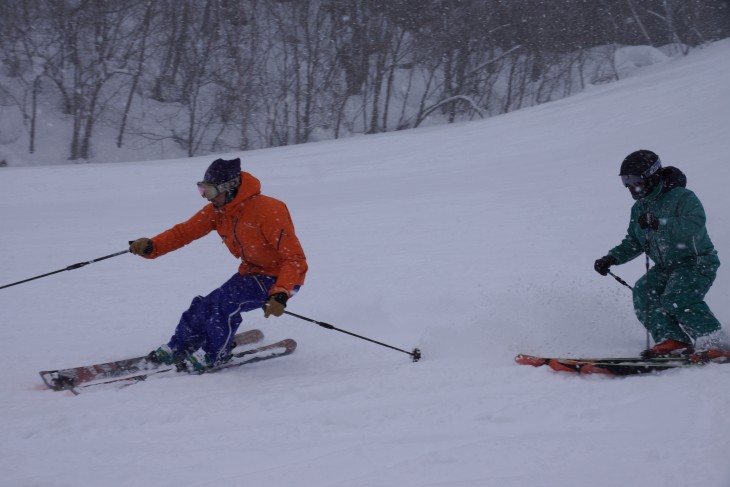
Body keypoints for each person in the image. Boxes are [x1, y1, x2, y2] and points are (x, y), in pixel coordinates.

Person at [129, 157, 307, 371]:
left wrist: (281, 292)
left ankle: (216, 354)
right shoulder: (219, 210)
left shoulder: (269, 210)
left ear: (230, 187)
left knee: (225, 304)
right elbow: (184, 232)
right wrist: (152, 246)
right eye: (203, 190)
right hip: (250, 274)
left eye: (210, 191)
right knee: (206, 304)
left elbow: (294, 259)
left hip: (278, 278)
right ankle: (182, 346)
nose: (206, 198)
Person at [593, 149, 728, 362]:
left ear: (652, 175)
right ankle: (674, 340)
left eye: (635, 179)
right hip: (667, 267)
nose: (630, 185)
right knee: (643, 292)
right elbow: (634, 240)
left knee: (678, 297)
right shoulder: (639, 208)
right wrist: (612, 258)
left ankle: (715, 343)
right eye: (625, 180)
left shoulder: (682, 197)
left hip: (696, 261)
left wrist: (660, 223)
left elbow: (694, 223)